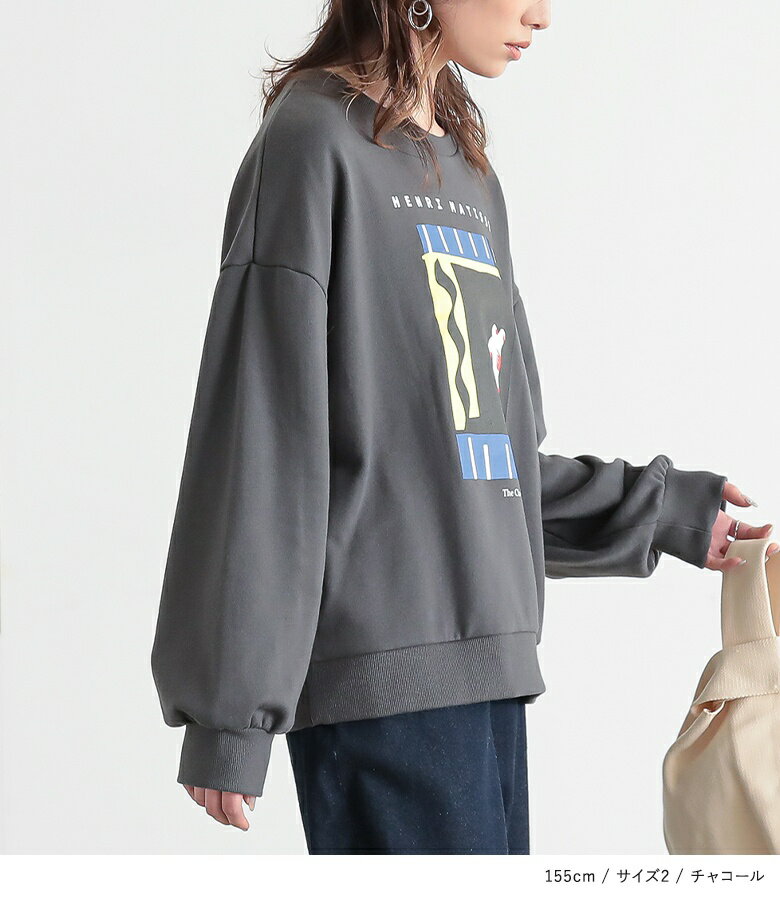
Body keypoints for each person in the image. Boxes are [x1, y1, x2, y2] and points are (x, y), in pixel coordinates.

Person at [151, 0, 778, 854]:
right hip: (379, 682)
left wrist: (664, 512)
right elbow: (259, 441)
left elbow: (483, 458)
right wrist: (230, 711)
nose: (540, 15)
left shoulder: (469, 172)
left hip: (490, 670)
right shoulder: (312, 143)